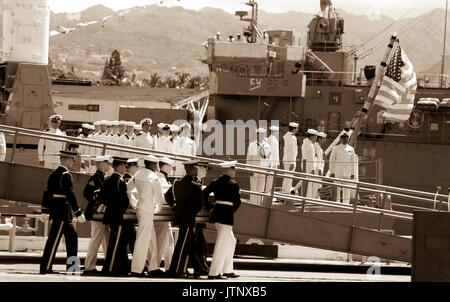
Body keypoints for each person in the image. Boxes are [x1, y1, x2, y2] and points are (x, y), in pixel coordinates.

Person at [39, 150, 86, 274]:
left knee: (72, 237)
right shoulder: (65, 174)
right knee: (54, 240)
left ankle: (72, 267)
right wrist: (78, 212)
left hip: (61, 212)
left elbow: (47, 193)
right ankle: (46, 267)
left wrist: (45, 209)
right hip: (61, 212)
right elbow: (70, 194)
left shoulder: (54, 173)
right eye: (71, 160)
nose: (72, 163)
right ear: (66, 160)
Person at [164, 160, 203, 278]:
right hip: (189, 219)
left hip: (180, 217)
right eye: (195, 168)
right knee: (182, 244)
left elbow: (167, 196)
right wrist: (191, 213)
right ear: (190, 169)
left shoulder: (177, 182)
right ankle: (175, 270)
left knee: (189, 244)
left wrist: (174, 207)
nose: (197, 170)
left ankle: (198, 268)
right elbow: (199, 205)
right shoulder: (195, 186)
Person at [128, 155, 165, 277]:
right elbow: (160, 198)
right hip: (148, 209)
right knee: (143, 238)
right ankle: (136, 269)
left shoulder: (138, 174)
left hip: (140, 207)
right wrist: (157, 210)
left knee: (150, 238)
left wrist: (133, 201)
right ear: (153, 164)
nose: (158, 166)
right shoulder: (153, 177)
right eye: (156, 164)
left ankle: (153, 267)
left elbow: (127, 188)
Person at [204, 161, 241, 279]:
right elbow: (237, 202)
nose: (234, 171)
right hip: (226, 216)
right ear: (227, 170)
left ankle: (227, 269)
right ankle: (214, 272)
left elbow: (204, 193)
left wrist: (209, 206)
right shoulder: (234, 184)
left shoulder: (215, 182)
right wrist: (231, 210)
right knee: (222, 244)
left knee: (230, 241)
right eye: (233, 169)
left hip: (217, 213)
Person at [101, 157, 133, 276]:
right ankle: (109, 268)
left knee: (118, 242)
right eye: (125, 165)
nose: (125, 168)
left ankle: (120, 268)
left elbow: (101, 197)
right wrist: (119, 208)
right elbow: (124, 201)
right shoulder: (120, 181)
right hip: (117, 216)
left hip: (110, 214)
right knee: (115, 243)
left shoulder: (107, 179)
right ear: (119, 166)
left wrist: (110, 204)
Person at [83, 155, 111, 275]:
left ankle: (109, 264)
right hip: (97, 212)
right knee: (96, 239)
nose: (109, 165)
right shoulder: (96, 178)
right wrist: (98, 200)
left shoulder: (103, 177)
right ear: (101, 164)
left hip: (103, 212)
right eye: (107, 163)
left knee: (106, 240)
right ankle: (89, 266)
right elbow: (87, 193)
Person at [188, 161, 210, 278]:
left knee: (200, 243)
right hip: (195, 217)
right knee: (195, 243)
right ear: (199, 168)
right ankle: (199, 267)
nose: (206, 171)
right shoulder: (194, 181)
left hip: (198, 218)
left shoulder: (199, 181)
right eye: (204, 168)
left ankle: (202, 265)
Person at [155, 157, 175, 271]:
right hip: (162, 214)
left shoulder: (162, 177)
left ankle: (170, 266)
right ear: (166, 166)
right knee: (161, 240)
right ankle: (155, 265)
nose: (172, 169)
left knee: (168, 241)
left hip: (163, 215)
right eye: (171, 166)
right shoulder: (161, 178)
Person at [329, 131, 357, 204]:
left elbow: (353, 162)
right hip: (338, 172)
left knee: (346, 189)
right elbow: (332, 160)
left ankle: (346, 203)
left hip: (347, 172)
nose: (345, 139)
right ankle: (337, 203)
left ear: (348, 138)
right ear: (341, 139)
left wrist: (353, 173)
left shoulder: (351, 149)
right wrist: (332, 172)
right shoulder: (335, 148)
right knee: (337, 188)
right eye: (343, 138)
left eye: (346, 138)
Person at [246, 128, 271, 205]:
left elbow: (269, 157)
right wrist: (248, 169)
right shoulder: (252, 145)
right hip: (254, 170)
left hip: (263, 170)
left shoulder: (267, 145)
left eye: (262, 134)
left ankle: (259, 203)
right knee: (253, 188)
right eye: (258, 134)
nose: (260, 136)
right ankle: (253, 204)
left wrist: (268, 168)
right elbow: (249, 158)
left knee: (261, 188)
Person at [282, 122, 299, 193]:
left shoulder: (286, 136)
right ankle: (286, 194)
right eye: (297, 128)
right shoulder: (292, 138)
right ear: (294, 129)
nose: (297, 129)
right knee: (289, 178)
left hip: (286, 159)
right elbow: (292, 150)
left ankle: (284, 192)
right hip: (290, 161)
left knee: (286, 177)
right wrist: (292, 162)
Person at [301, 129, 318, 198]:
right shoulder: (310, 145)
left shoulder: (304, 143)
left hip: (305, 165)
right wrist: (312, 168)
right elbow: (311, 158)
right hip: (308, 166)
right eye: (315, 136)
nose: (316, 138)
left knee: (305, 182)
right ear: (311, 136)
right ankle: (308, 198)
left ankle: (305, 197)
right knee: (309, 183)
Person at [311, 132, 327, 198]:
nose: (325, 140)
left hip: (318, 170)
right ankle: (314, 199)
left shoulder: (318, 147)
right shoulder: (316, 146)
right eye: (324, 139)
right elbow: (316, 159)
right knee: (316, 185)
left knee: (318, 185)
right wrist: (319, 169)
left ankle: (316, 198)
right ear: (320, 139)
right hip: (317, 170)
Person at [265, 125, 280, 193]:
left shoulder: (268, 139)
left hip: (269, 162)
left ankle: (268, 194)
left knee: (269, 180)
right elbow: (274, 153)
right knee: (271, 180)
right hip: (273, 163)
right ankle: (269, 195)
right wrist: (276, 164)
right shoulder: (274, 140)